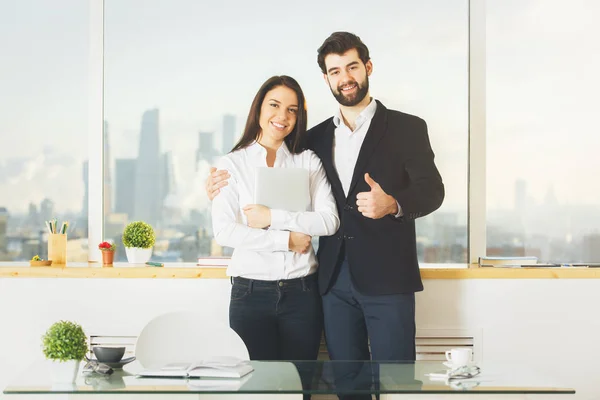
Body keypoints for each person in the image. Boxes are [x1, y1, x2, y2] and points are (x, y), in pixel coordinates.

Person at [208, 32, 444, 393]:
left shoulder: (407, 127)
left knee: (397, 385)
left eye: (352, 67)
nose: (345, 77)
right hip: (332, 284)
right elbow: (258, 173)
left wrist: (393, 203)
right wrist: (211, 187)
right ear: (326, 79)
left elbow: (433, 191)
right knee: (346, 386)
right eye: (335, 71)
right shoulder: (312, 141)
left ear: (367, 67)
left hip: (387, 279)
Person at [211, 75, 339, 366]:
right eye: (275, 105)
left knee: (300, 386)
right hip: (249, 294)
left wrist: (271, 217)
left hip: (302, 294)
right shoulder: (231, 164)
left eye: (292, 109)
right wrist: (287, 239)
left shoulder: (307, 161)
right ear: (258, 108)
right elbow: (225, 232)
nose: (282, 116)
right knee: (257, 389)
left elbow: (329, 221)